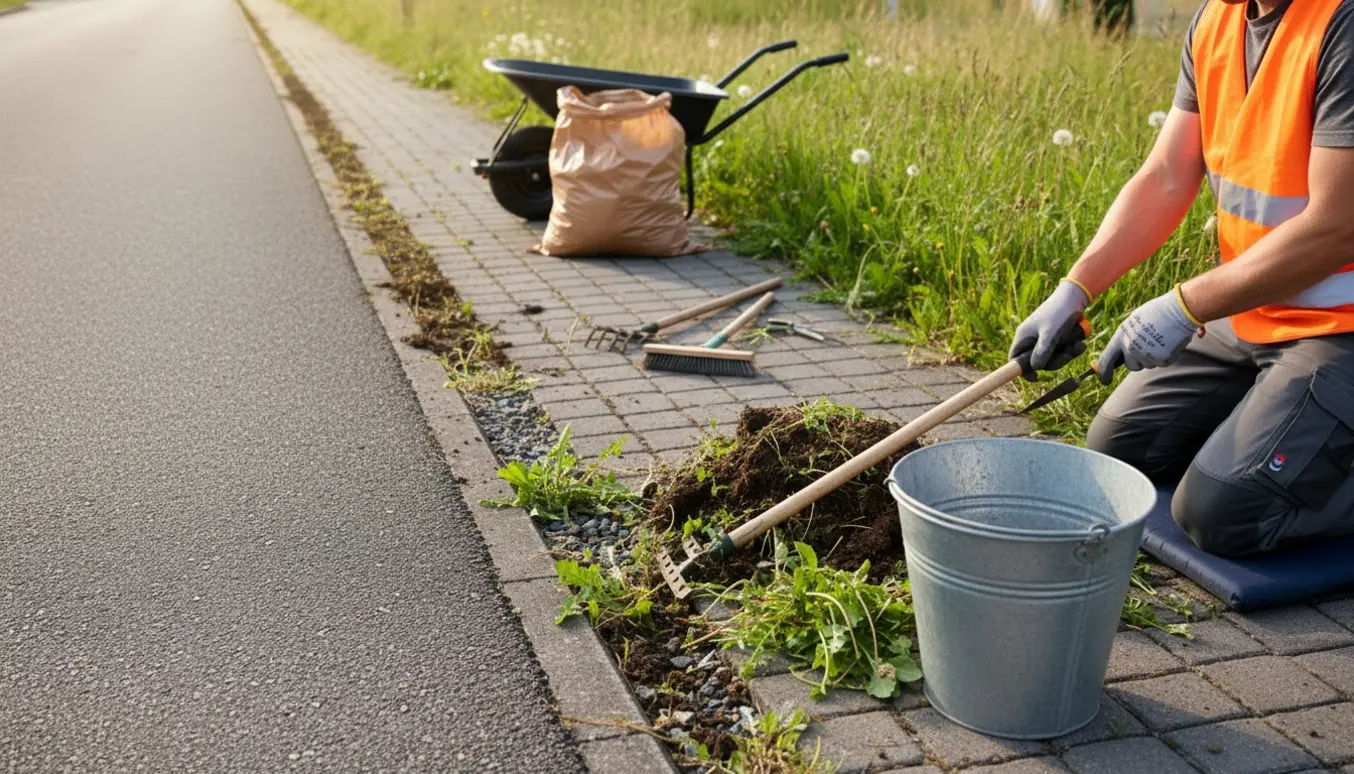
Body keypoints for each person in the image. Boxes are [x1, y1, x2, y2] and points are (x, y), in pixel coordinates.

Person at [1009, 0, 1354, 558]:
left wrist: (1184, 306)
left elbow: (1335, 229)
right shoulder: (1215, 20)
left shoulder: (1343, 24)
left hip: (1342, 327)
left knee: (1222, 514)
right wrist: (1074, 288)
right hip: (1255, 312)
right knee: (1121, 449)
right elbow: (1166, 176)